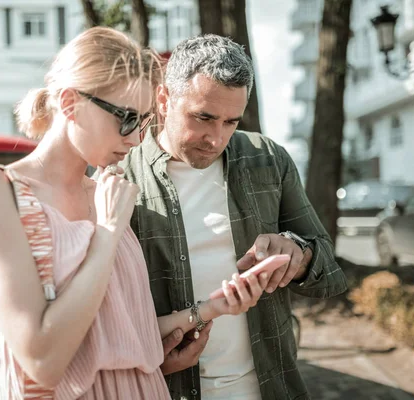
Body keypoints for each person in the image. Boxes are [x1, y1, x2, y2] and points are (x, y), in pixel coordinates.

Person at [0, 27, 268, 399]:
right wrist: (105, 234)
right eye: (126, 118)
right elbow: (41, 361)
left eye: (144, 122)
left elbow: (113, 332)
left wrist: (211, 308)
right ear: (70, 102)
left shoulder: (106, 193)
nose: (136, 138)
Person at [122, 34, 349, 400]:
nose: (216, 138)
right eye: (204, 117)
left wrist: (297, 254)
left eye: (231, 121)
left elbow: (330, 274)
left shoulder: (267, 158)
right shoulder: (119, 176)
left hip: (269, 388)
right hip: (165, 389)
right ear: (164, 99)